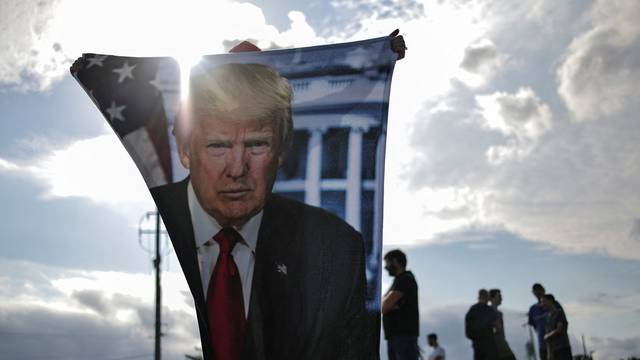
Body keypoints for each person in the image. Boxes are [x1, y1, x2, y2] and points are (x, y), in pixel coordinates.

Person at [150, 60, 367, 359]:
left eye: (257, 145)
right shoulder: (152, 218)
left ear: (281, 151)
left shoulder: (335, 248)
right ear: (186, 151)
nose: (237, 169)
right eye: (218, 146)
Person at [382, 249, 420, 360]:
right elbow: (385, 304)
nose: (385, 267)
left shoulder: (405, 279)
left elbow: (384, 307)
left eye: (387, 263)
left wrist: (388, 304)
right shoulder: (398, 281)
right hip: (397, 337)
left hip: (403, 337)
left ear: (395, 261)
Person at [465, 289, 499, 360]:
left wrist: (476, 338)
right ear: (487, 297)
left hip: (477, 348)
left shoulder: (471, 310)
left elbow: (468, 333)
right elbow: (497, 327)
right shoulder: (490, 310)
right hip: (490, 348)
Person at [541, 294, 572, 360]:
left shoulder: (559, 313)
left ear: (550, 301)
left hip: (562, 348)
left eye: (544, 301)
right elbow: (548, 339)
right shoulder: (547, 318)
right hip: (554, 351)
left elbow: (559, 329)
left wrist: (547, 336)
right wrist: (549, 353)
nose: (542, 304)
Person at [489, 289, 516, 360]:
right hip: (497, 348)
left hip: (502, 345)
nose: (501, 299)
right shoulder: (489, 312)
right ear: (492, 298)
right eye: (499, 296)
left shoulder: (499, 313)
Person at [528, 283, 550, 360]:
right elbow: (533, 326)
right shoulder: (533, 309)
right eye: (535, 291)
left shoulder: (554, 304)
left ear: (543, 290)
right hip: (542, 345)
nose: (538, 293)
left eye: (539, 290)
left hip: (557, 346)